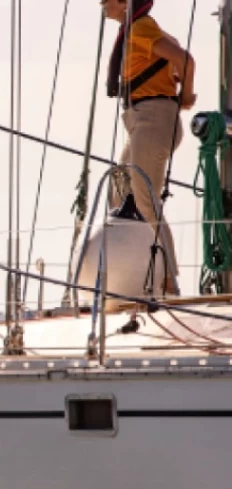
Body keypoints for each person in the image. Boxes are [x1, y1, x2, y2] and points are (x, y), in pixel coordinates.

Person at [103, 0, 196, 295]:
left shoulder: (141, 28)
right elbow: (174, 47)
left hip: (153, 119)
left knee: (146, 201)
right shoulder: (141, 29)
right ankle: (143, 269)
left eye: (106, 0)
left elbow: (186, 59)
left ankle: (169, 280)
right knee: (118, 189)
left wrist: (187, 94)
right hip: (142, 121)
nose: (101, 4)